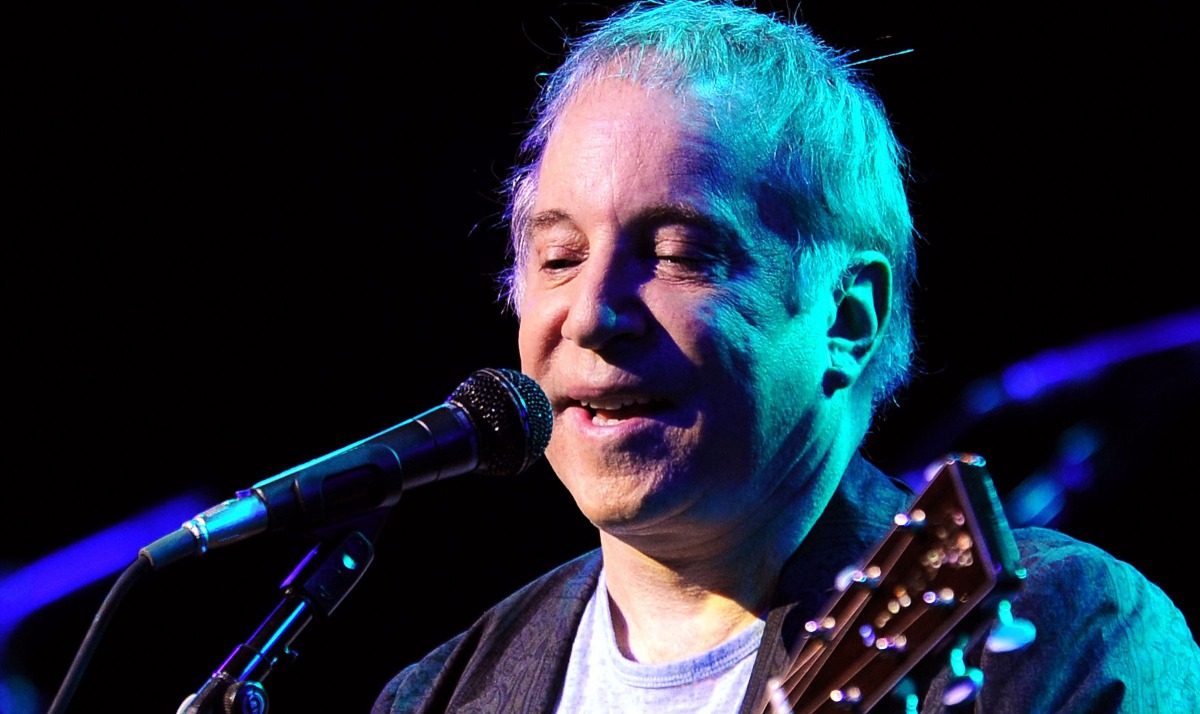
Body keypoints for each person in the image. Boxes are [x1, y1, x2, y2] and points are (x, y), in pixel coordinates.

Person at [372, 1, 1200, 712]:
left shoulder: (1053, 630)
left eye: (677, 254)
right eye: (559, 258)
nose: (590, 315)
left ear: (846, 320)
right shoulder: (440, 693)